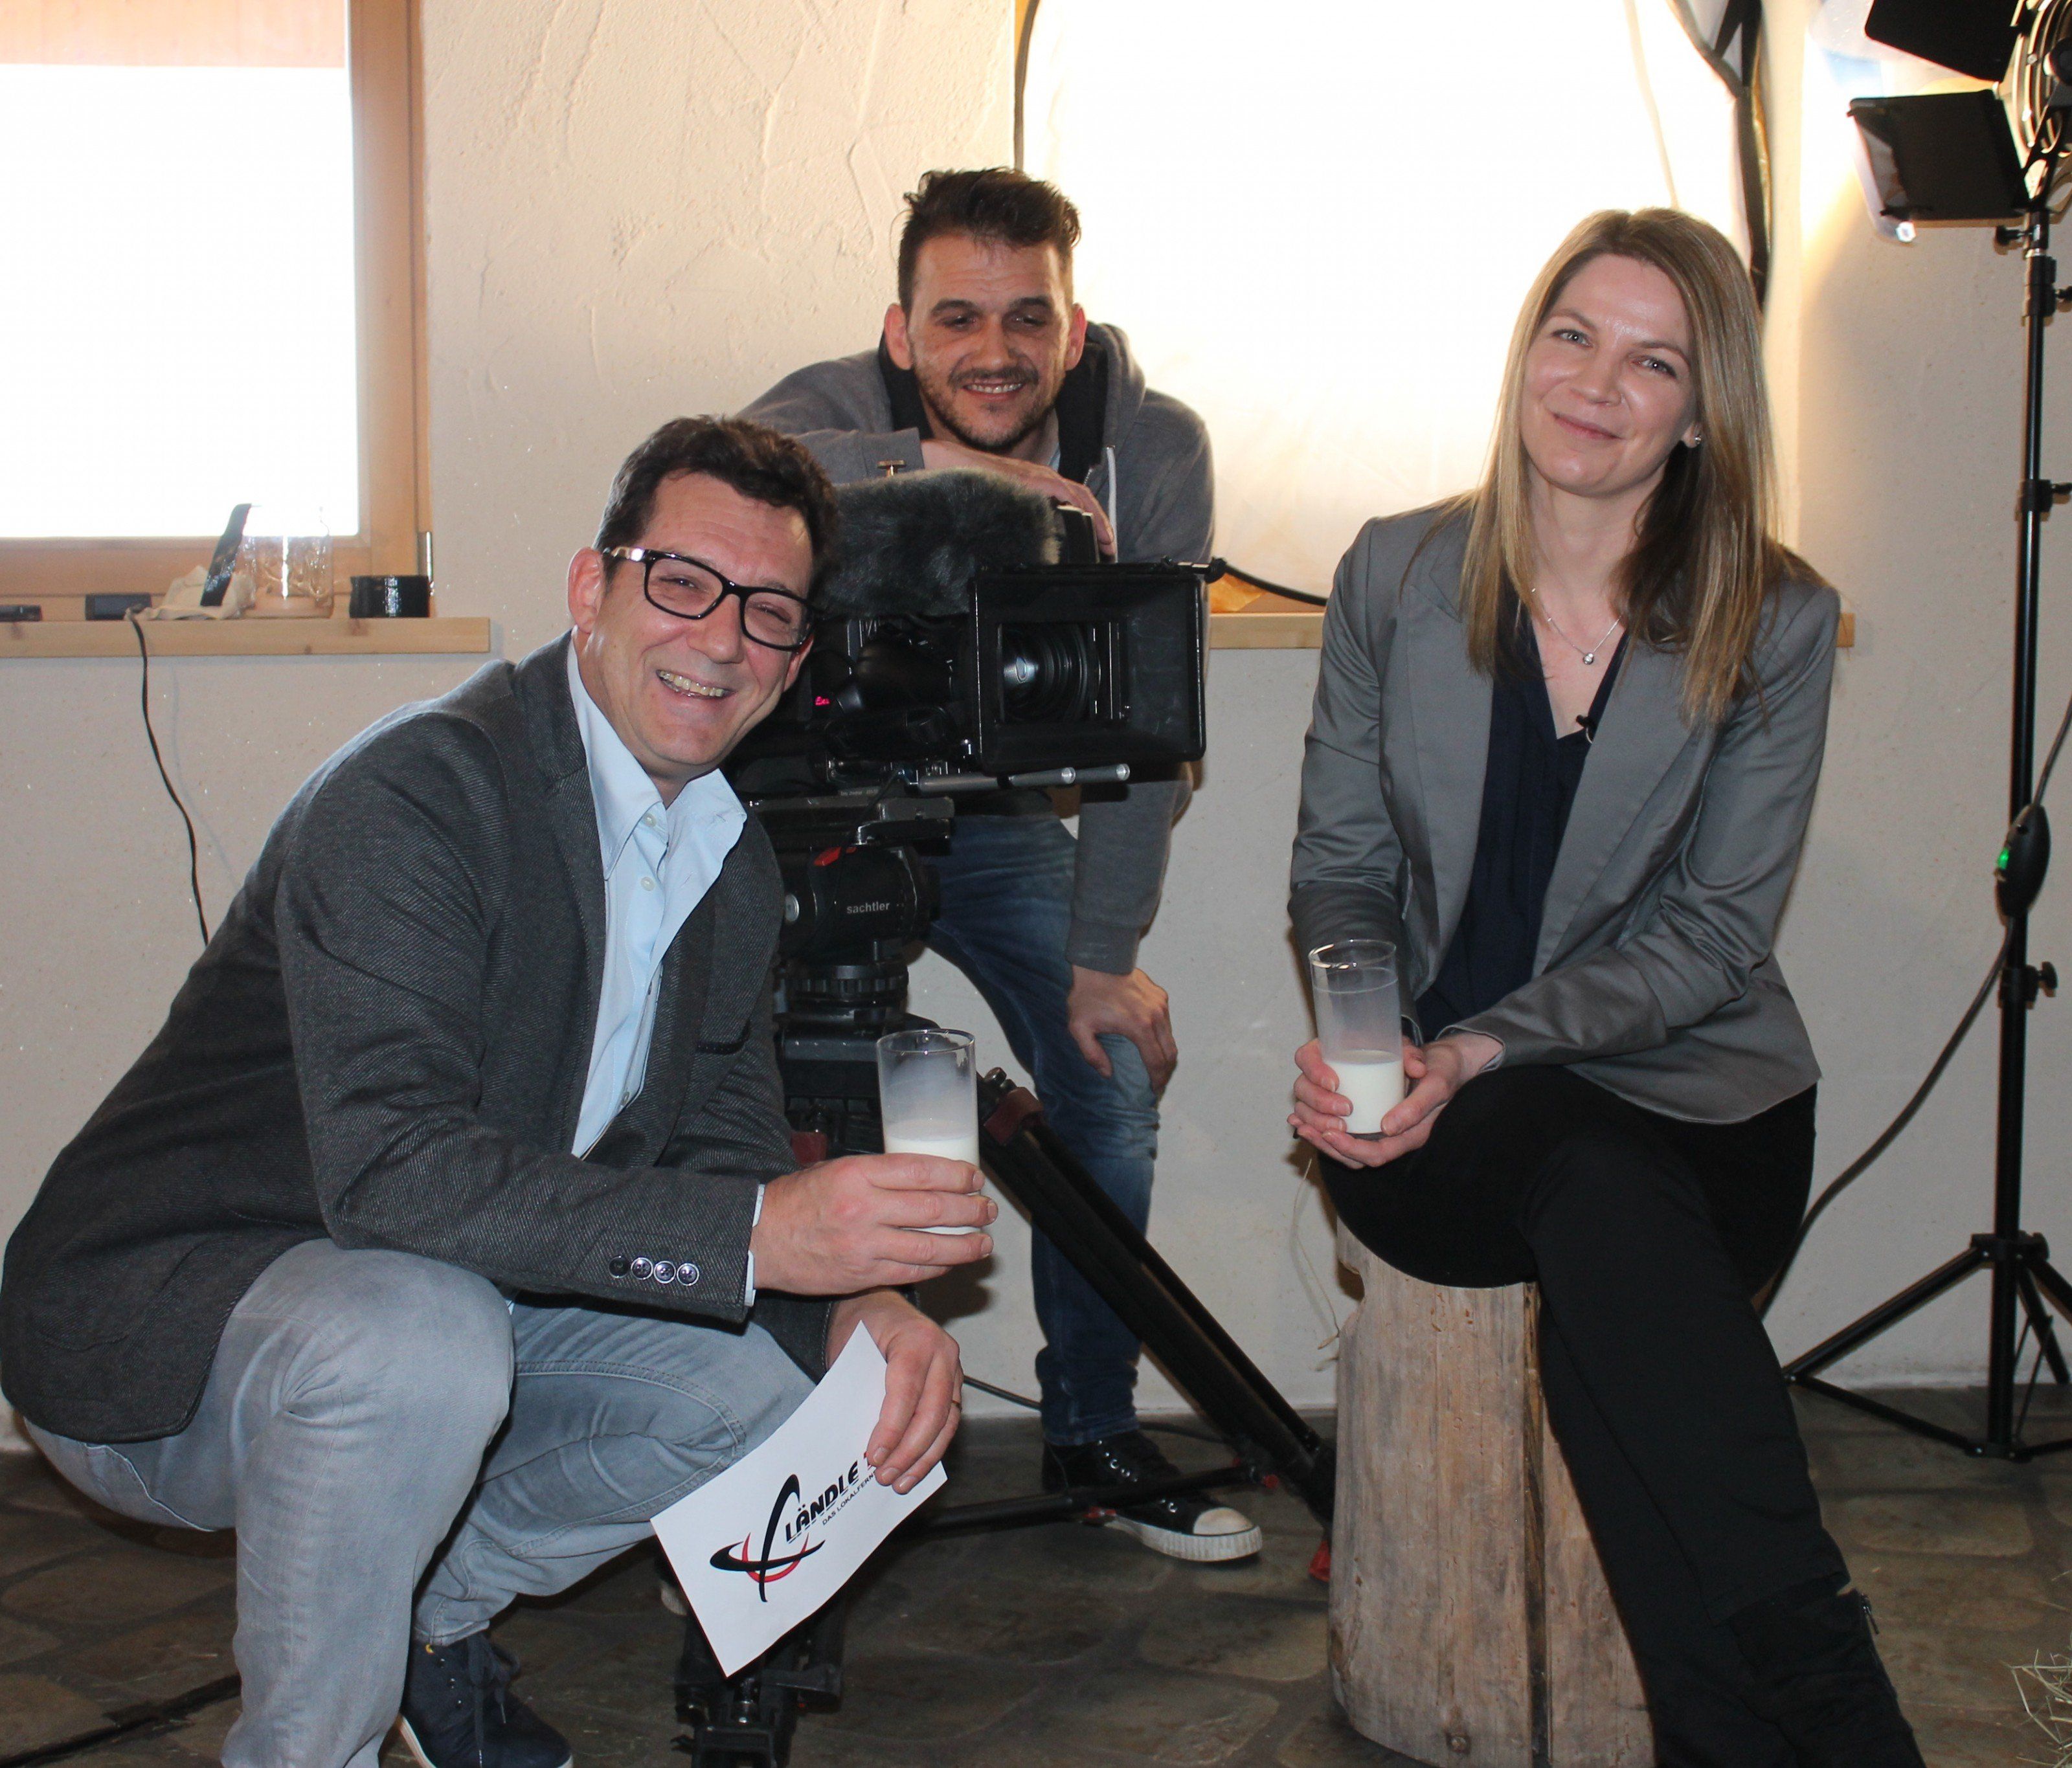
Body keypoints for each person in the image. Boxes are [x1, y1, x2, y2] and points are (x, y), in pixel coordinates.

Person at [0, 418, 997, 1768]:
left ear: (795, 657)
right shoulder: (419, 794)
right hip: (174, 1314)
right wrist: (768, 1235)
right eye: (683, 583)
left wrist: (849, 1309)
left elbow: (723, 1145)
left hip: (448, 1294)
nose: (721, 639)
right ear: (591, 589)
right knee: (420, 1335)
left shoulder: (730, 860)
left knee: (764, 1397)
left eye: (769, 612)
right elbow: (394, 1175)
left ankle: (419, 1627)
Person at [1288, 210, 1920, 1766]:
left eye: (1652, 361)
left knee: (1611, 1278)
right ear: (1525, 351)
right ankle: (1832, 1692)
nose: (1594, 383)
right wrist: (1374, 1054)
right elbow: (1341, 873)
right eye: (1571, 335)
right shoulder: (1395, 573)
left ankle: (1738, 1738)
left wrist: (1487, 1043)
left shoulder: (1772, 617)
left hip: (1700, 1098)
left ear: (1701, 412)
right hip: (1438, 1123)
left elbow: (1714, 936)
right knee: (1580, 1181)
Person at [742, 168, 1257, 1561]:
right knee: (760, 1109)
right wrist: (958, 477)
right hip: (791, 806)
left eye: (1027, 318)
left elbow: (1151, 719)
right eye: (956, 318)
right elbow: (709, 475)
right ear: (899, 333)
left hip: (994, 815)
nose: (994, 350)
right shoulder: (826, 407)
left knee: (1107, 1078)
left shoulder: (1153, 449)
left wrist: (1105, 960)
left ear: (1072, 331)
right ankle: (768, 1475)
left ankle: (1093, 1430)